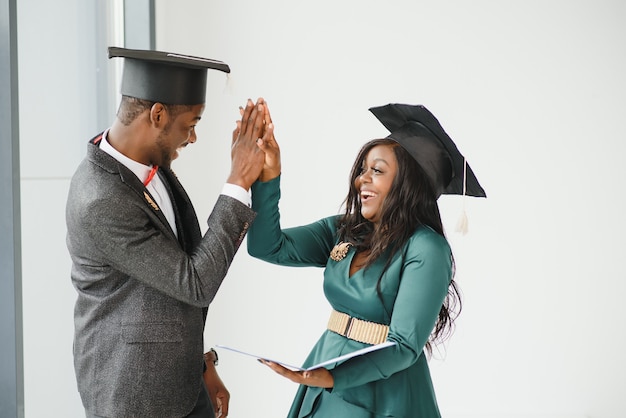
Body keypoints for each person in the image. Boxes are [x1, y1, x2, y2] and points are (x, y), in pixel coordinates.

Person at [66, 46, 272, 418]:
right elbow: (194, 282)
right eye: (191, 124)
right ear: (157, 114)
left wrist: (201, 367)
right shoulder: (100, 200)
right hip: (134, 400)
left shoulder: (149, 166)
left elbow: (166, 287)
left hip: (181, 387)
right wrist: (239, 180)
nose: (192, 138)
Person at [246, 103, 486, 417]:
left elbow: (403, 346)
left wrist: (335, 377)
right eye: (363, 170)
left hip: (385, 392)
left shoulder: (426, 248)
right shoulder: (344, 229)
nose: (362, 180)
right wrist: (268, 178)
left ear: (407, 183)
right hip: (325, 369)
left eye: (377, 171)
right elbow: (267, 246)